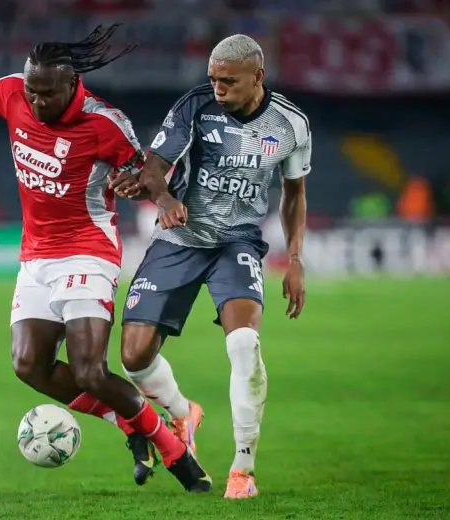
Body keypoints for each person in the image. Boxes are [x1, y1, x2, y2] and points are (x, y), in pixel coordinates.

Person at [0, 24, 211, 493]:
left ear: (72, 85)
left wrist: (155, 195)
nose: (35, 103)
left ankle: (175, 453)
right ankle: (134, 424)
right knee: (30, 365)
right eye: (31, 92)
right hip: (36, 256)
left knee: (90, 369)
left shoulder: (104, 123)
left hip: (88, 252)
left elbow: (142, 172)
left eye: (47, 95)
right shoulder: (13, 92)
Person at [111, 34, 309, 499]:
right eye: (213, 79)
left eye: (228, 81)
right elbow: (154, 165)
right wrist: (162, 197)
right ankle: (183, 412)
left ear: (258, 77)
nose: (218, 87)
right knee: (133, 357)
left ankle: (243, 469)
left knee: (244, 342)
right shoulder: (196, 106)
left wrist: (295, 259)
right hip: (178, 235)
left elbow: (295, 193)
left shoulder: (290, 125)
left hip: (236, 241)